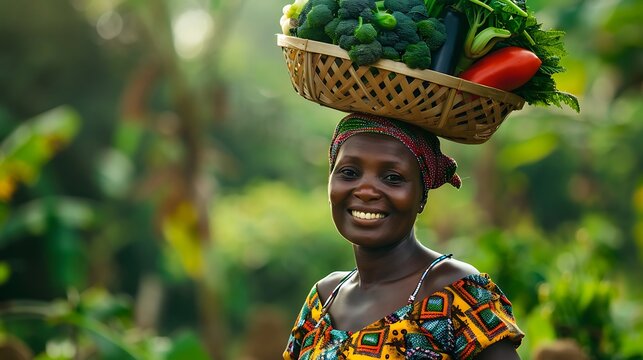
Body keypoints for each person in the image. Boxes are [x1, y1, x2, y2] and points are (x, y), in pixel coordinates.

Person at [283, 113, 524, 359]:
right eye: (349, 172)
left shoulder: (457, 292)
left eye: (392, 178)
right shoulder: (323, 299)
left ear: (421, 196)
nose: (365, 191)